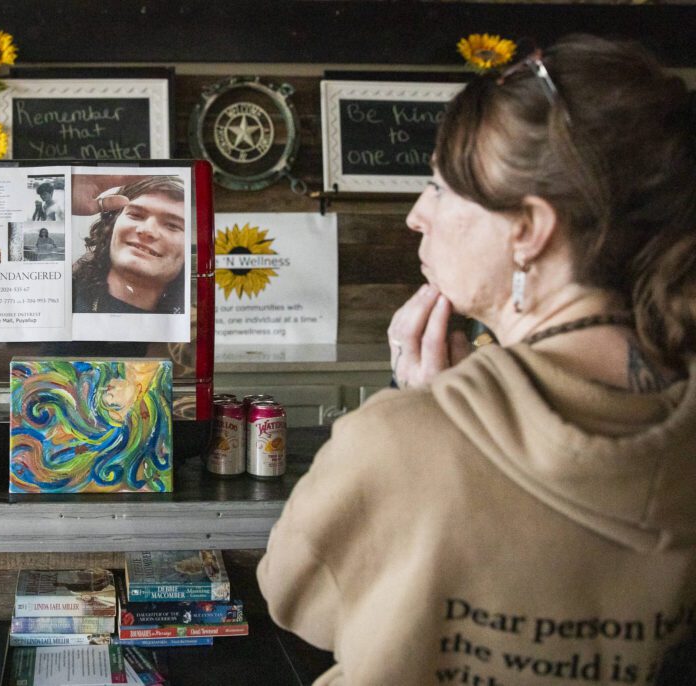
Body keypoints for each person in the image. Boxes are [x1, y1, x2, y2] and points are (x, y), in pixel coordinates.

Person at [258, 35, 696, 685]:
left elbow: (297, 601)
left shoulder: (399, 437)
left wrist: (424, 409)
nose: (416, 216)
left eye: (440, 186)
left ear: (528, 230)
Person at [72, 176, 186, 314]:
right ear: (111, 225)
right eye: (136, 215)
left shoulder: (192, 324)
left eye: (172, 225)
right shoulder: (62, 294)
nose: (147, 230)